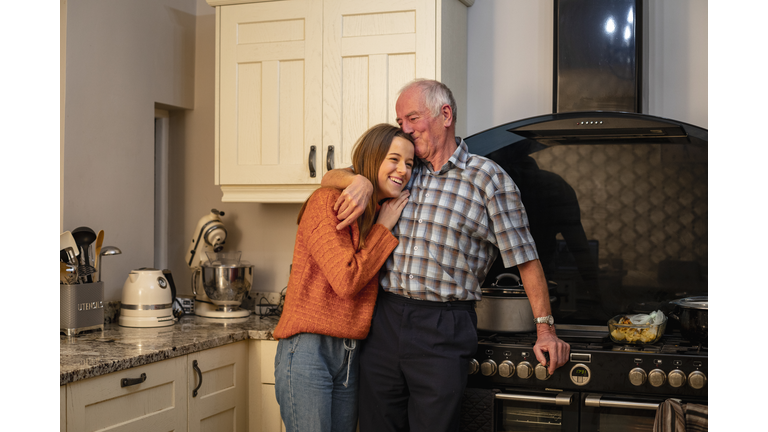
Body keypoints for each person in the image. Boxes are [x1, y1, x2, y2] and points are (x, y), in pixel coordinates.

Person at [321, 79, 571, 432]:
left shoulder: (487, 179)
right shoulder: (401, 170)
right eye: (399, 120)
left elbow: (526, 258)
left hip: (444, 326)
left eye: (412, 118)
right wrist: (357, 181)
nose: (403, 128)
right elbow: (328, 177)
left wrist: (545, 330)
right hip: (383, 320)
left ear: (445, 114)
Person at [273, 123, 415, 432]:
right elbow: (346, 280)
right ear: (372, 158)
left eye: (409, 163)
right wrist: (384, 228)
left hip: (351, 355)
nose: (403, 170)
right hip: (309, 350)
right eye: (394, 159)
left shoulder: (377, 210)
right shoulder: (326, 202)